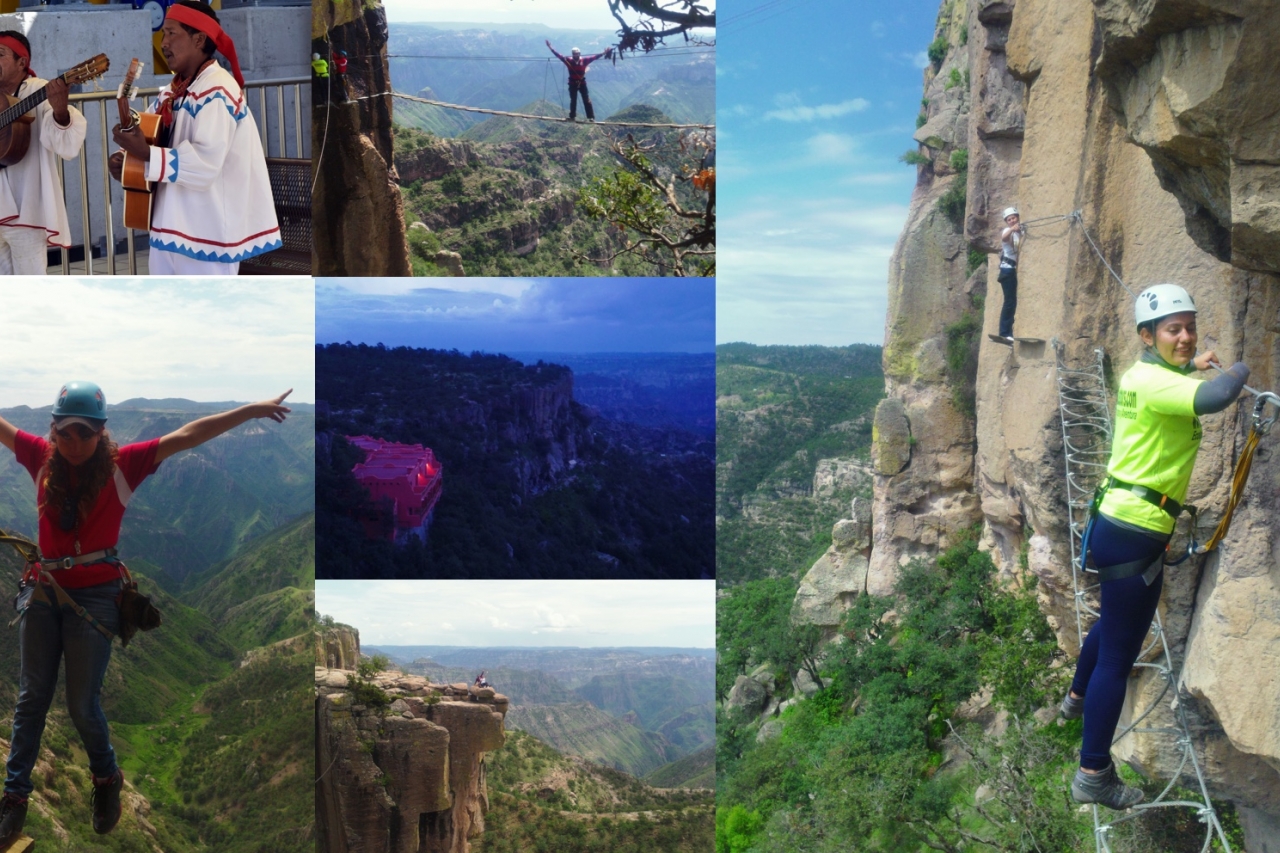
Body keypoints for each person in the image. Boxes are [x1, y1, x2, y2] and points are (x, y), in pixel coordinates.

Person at [0, 381, 292, 844]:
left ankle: (106, 778)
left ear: (101, 433)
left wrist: (251, 411)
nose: (74, 444)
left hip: (95, 597)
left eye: (84, 433)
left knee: (81, 706)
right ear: (53, 433)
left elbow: (190, 434)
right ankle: (13, 802)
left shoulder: (125, 465)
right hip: (46, 591)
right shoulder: (40, 458)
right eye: (65, 434)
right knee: (31, 699)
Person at [1061, 284, 1249, 810]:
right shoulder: (1153, 381)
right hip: (1136, 530)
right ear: (1147, 336)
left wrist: (1192, 365)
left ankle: (1075, 698)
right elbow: (1216, 397)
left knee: (1111, 624)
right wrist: (1243, 369)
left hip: (1120, 523)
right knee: (1118, 656)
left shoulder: (1146, 376)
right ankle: (1093, 772)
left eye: (1190, 326)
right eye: (1174, 329)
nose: (1186, 336)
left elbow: (1178, 384)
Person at [109, 0, 280, 275]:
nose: (163, 43)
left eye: (171, 33)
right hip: (168, 229)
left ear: (199, 39)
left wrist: (144, 154)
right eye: (163, 33)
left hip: (207, 233)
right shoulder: (171, 91)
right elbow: (148, 141)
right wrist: (126, 161)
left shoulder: (218, 89)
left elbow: (205, 164)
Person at [0, 31, 87, 274]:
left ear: (22, 63)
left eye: (0, 54)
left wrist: (60, 112)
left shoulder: (40, 91)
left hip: (27, 209)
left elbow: (66, 143)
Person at [546, 41, 612, 122]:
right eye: (574, 54)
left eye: (577, 53)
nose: (575, 55)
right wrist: (550, 48)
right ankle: (572, 116)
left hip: (582, 83)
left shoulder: (584, 61)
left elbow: (594, 57)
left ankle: (591, 117)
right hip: (572, 83)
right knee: (573, 100)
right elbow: (559, 56)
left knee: (586, 99)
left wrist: (603, 53)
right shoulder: (568, 61)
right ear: (572, 54)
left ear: (579, 54)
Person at [992, 206, 1024, 345]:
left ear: (1017, 217)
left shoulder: (1019, 232)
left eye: (1013, 218)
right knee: (1009, 301)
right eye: (1009, 219)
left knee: (1012, 301)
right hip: (1007, 270)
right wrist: (1012, 229)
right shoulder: (1008, 231)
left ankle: (1008, 332)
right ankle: (1004, 333)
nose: (1011, 221)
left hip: (1011, 270)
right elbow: (1004, 238)